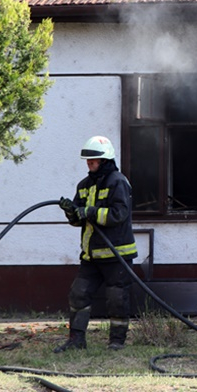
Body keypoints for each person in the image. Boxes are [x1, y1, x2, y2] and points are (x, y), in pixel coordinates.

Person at [56, 135, 137, 352]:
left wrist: (90, 211)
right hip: (91, 256)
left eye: (93, 160)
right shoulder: (84, 185)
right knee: (78, 294)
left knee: (117, 299)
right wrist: (71, 212)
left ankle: (117, 342)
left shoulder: (118, 182)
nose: (89, 163)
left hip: (117, 255)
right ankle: (76, 340)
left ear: (105, 160)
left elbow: (119, 214)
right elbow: (78, 220)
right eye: (87, 160)